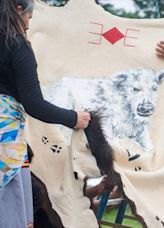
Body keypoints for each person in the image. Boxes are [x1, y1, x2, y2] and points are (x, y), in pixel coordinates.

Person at [0, 0, 91, 227]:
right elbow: (34, 104)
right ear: (19, 10)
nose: (28, 26)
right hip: (5, 140)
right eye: (29, 19)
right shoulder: (16, 46)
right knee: (9, 207)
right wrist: (73, 118)